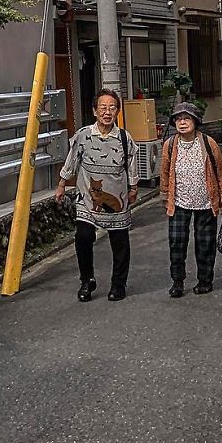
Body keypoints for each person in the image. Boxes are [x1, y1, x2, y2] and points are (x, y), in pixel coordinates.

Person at [55, 88, 138, 302]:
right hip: (88, 199)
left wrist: (134, 187)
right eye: (103, 108)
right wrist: (62, 183)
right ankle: (87, 280)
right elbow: (72, 160)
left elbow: (131, 164)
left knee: (119, 242)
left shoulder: (123, 137)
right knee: (83, 236)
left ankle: (118, 284)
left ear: (117, 111)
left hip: (116, 199)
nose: (107, 112)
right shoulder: (83, 135)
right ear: (94, 111)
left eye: (112, 108)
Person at [159, 102, 222, 298]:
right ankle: (177, 281)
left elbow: (221, 172)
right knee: (177, 242)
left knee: (205, 243)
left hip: (207, 202)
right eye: (178, 119)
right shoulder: (170, 145)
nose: (182, 123)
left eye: (186, 118)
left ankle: (205, 280)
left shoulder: (208, 143)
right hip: (179, 201)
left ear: (195, 121)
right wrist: (165, 196)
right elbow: (165, 173)